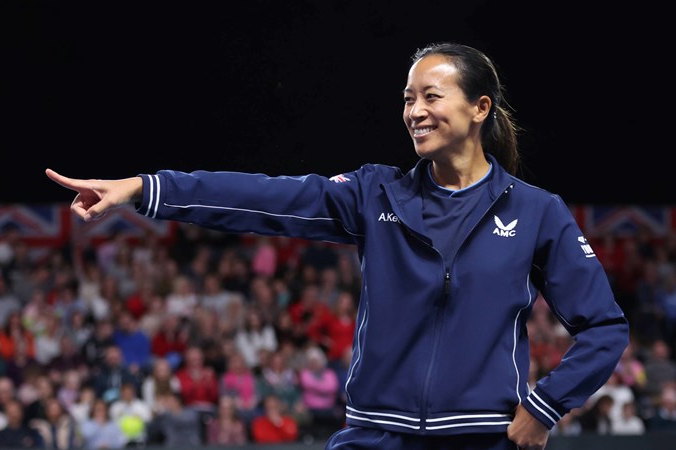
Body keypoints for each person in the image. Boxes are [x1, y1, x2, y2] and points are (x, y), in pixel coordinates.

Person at [45, 41, 629, 450]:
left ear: (480, 109)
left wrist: (545, 406)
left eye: (430, 97)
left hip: (480, 437)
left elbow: (603, 327)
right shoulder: (376, 193)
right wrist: (144, 189)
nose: (415, 112)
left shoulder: (536, 211)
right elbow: (267, 198)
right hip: (373, 434)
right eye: (407, 99)